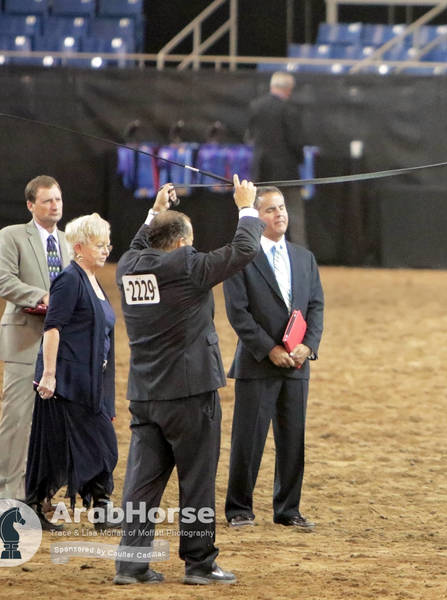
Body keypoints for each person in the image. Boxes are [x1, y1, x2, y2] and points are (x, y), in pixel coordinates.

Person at [113, 176, 262, 586]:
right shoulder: (186, 266)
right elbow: (244, 249)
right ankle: (199, 564)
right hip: (190, 394)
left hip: (145, 393)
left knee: (142, 482)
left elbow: (137, 245)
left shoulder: (128, 267)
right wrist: (245, 206)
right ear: (181, 243)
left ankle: (131, 564)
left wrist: (153, 213)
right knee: (197, 479)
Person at [223, 186, 324, 530]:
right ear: (257, 217)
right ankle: (239, 508)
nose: (280, 214)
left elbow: (315, 307)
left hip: (297, 364)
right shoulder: (242, 258)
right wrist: (270, 349)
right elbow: (238, 314)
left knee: (293, 439)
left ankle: (288, 510)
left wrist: (308, 346)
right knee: (248, 440)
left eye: (282, 208)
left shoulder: (304, 257)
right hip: (258, 364)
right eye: (270, 210)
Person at [28, 213, 118, 532]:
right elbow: (52, 328)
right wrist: (49, 375)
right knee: (77, 446)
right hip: (66, 382)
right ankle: (39, 507)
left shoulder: (93, 281)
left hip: (89, 382)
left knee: (84, 445)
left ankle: (101, 509)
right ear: (78, 247)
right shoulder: (69, 280)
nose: (106, 250)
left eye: (107, 243)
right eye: (99, 244)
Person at [0, 175, 72, 509]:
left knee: (52, 423)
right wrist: (44, 296)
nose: (55, 206)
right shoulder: (11, 236)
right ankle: (5, 494)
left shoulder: (69, 242)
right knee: (17, 419)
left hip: (61, 345)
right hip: (25, 338)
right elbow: (3, 281)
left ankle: (40, 491)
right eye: (48, 200)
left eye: (58, 199)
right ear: (30, 205)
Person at [247, 71, 308, 248]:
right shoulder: (290, 110)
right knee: (293, 214)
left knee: (259, 211)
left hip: (262, 170)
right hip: (286, 171)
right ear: (289, 89)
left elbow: (250, 136)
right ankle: (299, 253)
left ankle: (254, 249)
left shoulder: (255, 106)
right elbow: (296, 141)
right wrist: (300, 160)